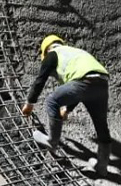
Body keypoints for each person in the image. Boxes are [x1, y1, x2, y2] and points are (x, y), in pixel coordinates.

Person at [20, 35, 112, 176]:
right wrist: (67, 110)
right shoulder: (74, 52)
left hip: (83, 81)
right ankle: (102, 167)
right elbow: (79, 91)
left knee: (52, 101)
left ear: (46, 50)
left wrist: (30, 103)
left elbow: (40, 80)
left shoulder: (52, 54)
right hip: (102, 83)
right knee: (101, 125)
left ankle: (52, 141)